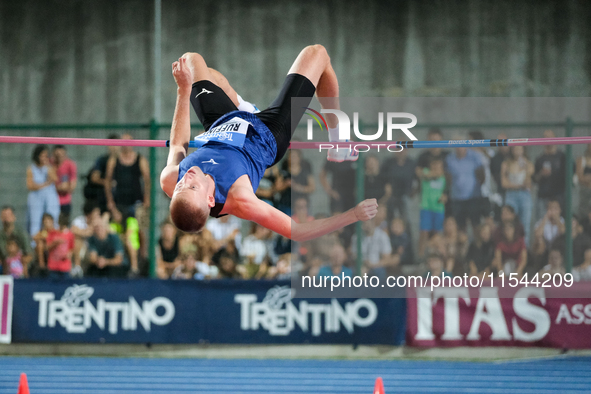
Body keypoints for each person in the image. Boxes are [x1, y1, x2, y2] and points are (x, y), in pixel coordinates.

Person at [159, 45, 377, 240]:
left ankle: (245, 109)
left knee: (190, 61)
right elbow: (297, 232)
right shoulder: (240, 198)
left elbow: (178, 145)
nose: (186, 178)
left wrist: (183, 90)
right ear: (209, 199)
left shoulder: (170, 179)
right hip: (266, 135)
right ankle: (338, 135)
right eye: (193, 186)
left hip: (223, 125)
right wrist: (353, 215)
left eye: (181, 186)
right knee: (317, 54)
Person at [445, 134, 485, 232]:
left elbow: (481, 173)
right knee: (460, 226)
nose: (459, 148)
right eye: (456, 145)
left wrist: (478, 187)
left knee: (476, 225)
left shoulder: (475, 156)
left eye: (461, 145)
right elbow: (448, 176)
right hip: (457, 198)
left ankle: (477, 247)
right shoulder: (450, 159)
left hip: (473, 197)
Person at [501, 146, 534, 244]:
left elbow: (529, 182)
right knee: (508, 223)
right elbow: (504, 183)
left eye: (520, 149)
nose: (517, 151)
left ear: (523, 150)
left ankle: (524, 249)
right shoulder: (506, 164)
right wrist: (519, 185)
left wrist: (525, 167)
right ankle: (508, 247)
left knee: (525, 225)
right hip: (511, 195)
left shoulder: (528, 164)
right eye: (515, 148)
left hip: (525, 195)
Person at [26, 145, 60, 237]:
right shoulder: (31, 168)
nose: (45, 158)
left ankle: (53, 239)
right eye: (43, 156)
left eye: (46, 156)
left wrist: (48, 167)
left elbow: (55, 179)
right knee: (35, 221)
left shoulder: (48, 168)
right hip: (36, 198)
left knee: (53, 218)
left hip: (49, 197)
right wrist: (45, 184)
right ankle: (35, 244)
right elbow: (30, 185)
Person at [533, 130, 566, 221]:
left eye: (550, 137)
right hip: (543, 196)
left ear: (555, 138)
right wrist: (541, 173)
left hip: (559, 196)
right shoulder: (540, 159)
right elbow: (534, 179)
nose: (547, 139)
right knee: (541, 223)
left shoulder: (562, 157)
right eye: (545, 137)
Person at [418, 158, 447, 257]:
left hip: (438, 208)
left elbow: (445, 191)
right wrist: (437, 173)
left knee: (437, 233)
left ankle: (437, 255)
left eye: (438, 165)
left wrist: (444, 197)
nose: (435, 167)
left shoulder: (443, 178)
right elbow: (424, 175)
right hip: (426, 207)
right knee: (424, 232)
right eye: (434, 165)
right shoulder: (426, 172)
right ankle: (421, 255)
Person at [85, 134, 120, 213]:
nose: (114, 147)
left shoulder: (123, 161)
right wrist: (107, 183)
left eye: (116, 144)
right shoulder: (102, 160)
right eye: (112, 144)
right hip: (103, 198)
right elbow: (94, 177)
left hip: (121, 197)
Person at [0, 206, 33, 276]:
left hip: (20, 268)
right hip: (4, 268)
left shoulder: (21, 234)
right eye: (4, 216)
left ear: (13, 217)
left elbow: (30, 254)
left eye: (8, 215)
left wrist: (20, 262)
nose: (6, 218)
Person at [45, 214, 75, 279]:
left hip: (65, 267)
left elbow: (71, 248)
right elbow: (47, 247)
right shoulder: (53, 233)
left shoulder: (70, 235)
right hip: (53, 267)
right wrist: (55, 243)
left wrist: (69, 254)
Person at [52, 145, 77, 220]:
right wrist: (59, 187)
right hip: (52, 201)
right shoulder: (51, 164)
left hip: (65, 201)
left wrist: (65, 187)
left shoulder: (70, 164)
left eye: (61, 155)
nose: (59, 158)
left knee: (64, 223)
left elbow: (72, 186)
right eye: (57, 156)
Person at [576, 144, 591, 218]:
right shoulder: (582, 160)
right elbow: (580, 177)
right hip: (585, 192)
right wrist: (586, 179)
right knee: (584, 215)